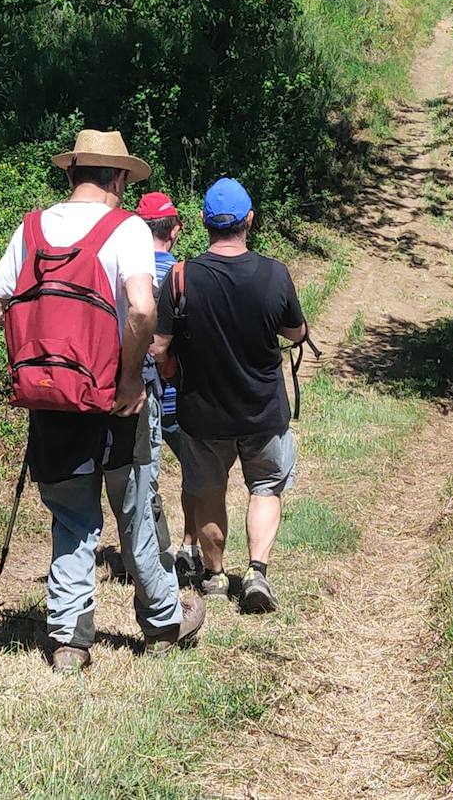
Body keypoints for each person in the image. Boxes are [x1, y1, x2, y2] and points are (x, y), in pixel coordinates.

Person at [0, 130, 204, 671]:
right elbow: (143, 310)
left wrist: (43, 348)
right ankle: (163, 622)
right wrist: (129, 381)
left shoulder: (33, 227)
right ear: (119, 178)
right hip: (114, 401)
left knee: (71, 518)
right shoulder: (123, 228)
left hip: (50, 401)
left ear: (72, 173)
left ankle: (69, 641)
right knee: (136, 515)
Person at [151, 177, 308, 613]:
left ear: (203, 221)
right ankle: (257, 572)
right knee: (266, 487)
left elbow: (159, 347)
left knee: (208, 492)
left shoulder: (181, 277)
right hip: (262, 411)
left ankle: (216, 576)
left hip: (202, 414)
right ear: (249, 221)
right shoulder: (274, 274)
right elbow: (296, 332)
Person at [133, 192, 202, 583]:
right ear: (174, 230)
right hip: (180, 392)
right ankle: (189, 546)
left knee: (144, 478)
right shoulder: (184, 276)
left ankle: (146, 551)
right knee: (195, 471)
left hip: (138, 390)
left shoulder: (125, 274)